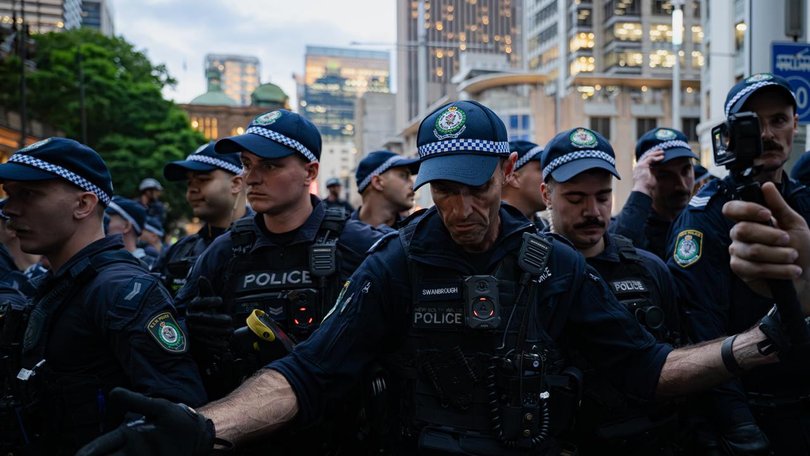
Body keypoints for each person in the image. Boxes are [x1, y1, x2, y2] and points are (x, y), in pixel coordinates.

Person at [77, 101, 783, 456]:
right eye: (444, 190)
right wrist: (208, 426)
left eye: (474, 189)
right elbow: (309, 372)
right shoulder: (396, 261)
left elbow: (644, 368)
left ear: (507, 175)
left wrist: (759, 344)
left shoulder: (554, 264)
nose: (459, 209)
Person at [0, 137, 205, 455]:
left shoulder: (120, 290)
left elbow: (176, 412)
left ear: (83, 204)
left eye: (29, 194)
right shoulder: (61, 284)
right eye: (9, 195)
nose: (10, 209)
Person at [172, 110, 375, 403]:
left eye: (269, 165)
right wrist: (191, 332)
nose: (250, 178)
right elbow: (169, 342)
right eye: (246, 164)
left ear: (310, 172)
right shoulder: (223, 251)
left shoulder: (359, 245)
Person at [667, 72, 810, 454]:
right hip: (751, 406)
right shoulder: (706, 214)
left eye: (778, 120)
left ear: (795, 124)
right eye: (753, 123)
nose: (767, 134)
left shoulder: (805, 201)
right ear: (728, 135)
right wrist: (739, 427)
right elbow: (700, 325)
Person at [540, 127, 682, 454]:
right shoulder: (528, 273)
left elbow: (677, 356)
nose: (593, 211)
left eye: (603, 197)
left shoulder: (650, 270)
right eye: (576, 198)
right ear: (547, 195)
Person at [152, 141, 247, 295]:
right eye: (189, 183)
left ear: (236, 184)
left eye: (203, 179)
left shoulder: (266, 244)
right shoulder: (179, 251)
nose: (192, 190)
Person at [611, 127, 697, 260]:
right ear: (646, 176)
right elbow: (616, 251)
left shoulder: (701, 220)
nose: (681, 185)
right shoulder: (632, 225)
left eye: (685, 171)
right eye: (666, 175)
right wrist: (640, 188)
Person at [502, 139, 547, 228]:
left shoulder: (547, 228)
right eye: (542, 169)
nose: (550, 176)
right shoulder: (491, 231)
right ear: (514, 178)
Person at [105, 195, 157, 268]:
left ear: (127, 226)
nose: (102, 223)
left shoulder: (150, 268)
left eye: (107, 219)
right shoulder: (103, 262)